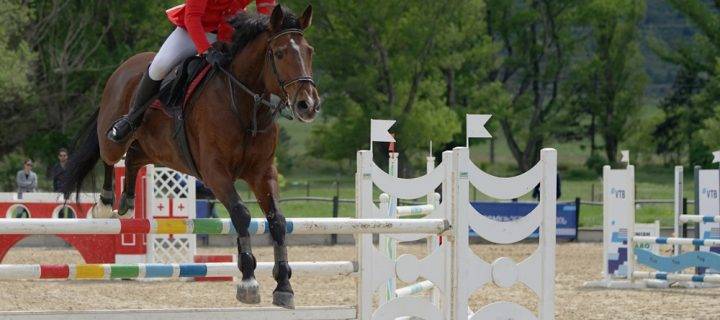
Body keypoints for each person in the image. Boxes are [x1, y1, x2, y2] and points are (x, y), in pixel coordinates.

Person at [107, 0, 276, 143]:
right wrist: (207, 51)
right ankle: (132, 118)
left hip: (231, 32)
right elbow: (192, 17)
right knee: (160, 65)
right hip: (195, 30)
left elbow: (266, 12)